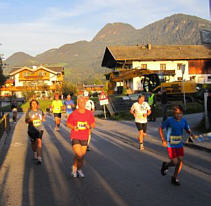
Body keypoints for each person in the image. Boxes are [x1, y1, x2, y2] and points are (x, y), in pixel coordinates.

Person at [159, 105, 195, 186]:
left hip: (179, 144)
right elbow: (161, 128)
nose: (178, 115)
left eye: (180, 113)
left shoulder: (183, 121)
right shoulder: (169, 121)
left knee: (180, 161)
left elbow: (187, 128)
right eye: (176, 113)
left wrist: (191, 134)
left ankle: (174, 178)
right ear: (173, 113)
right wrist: (163, 139)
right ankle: (166, 165)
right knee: (175, 162)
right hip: (171, 144)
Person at [67, 95, 95, 178]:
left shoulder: (89, 113)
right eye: (80, 102)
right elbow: (68, 123)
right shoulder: (74, 113)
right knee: (79, 154)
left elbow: (93, 124)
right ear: (78, 103)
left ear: (85, 102)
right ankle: (75, 169)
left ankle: (78, 169)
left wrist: (89, 127)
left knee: (81, 156)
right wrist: (73, 127)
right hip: (75, 135)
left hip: (85, 136)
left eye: (83, 102)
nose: (82, 103)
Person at [25, 99, 45, 164]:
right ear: (31, 105)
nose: (34, 105)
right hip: (32, 130)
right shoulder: (29, 112)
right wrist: (32, 119)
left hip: (40, 129)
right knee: (33, 144)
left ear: (37, 104)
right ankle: (35, 152)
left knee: (39, 141)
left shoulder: (40, 111)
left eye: (35, 103)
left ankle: (39, 158)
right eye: (32, 104)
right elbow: (26, 121)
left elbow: (43, 117)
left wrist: (43, 119)